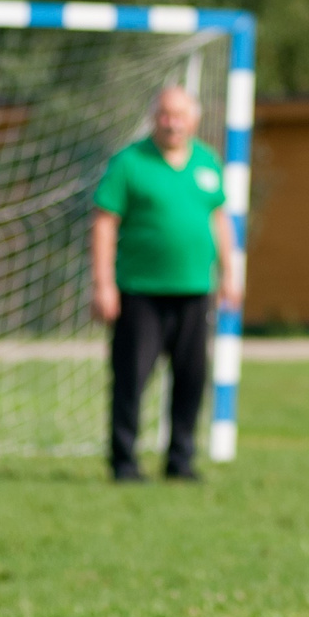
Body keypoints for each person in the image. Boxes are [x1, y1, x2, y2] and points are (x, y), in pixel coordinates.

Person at [92, 85, 239, 482]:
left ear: (194, 119)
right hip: (140, 291)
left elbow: (219, 218)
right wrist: (103, 283)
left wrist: (230, 272)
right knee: (132, 378)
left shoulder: (207, 162)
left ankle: (181, 460)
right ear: (154, 118)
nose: (173, 123)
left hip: (194, 290)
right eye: (165, 115)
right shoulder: (129, 162)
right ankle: (124, 461)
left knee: (191, 379)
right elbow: (105, 223)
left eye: (180, 115)